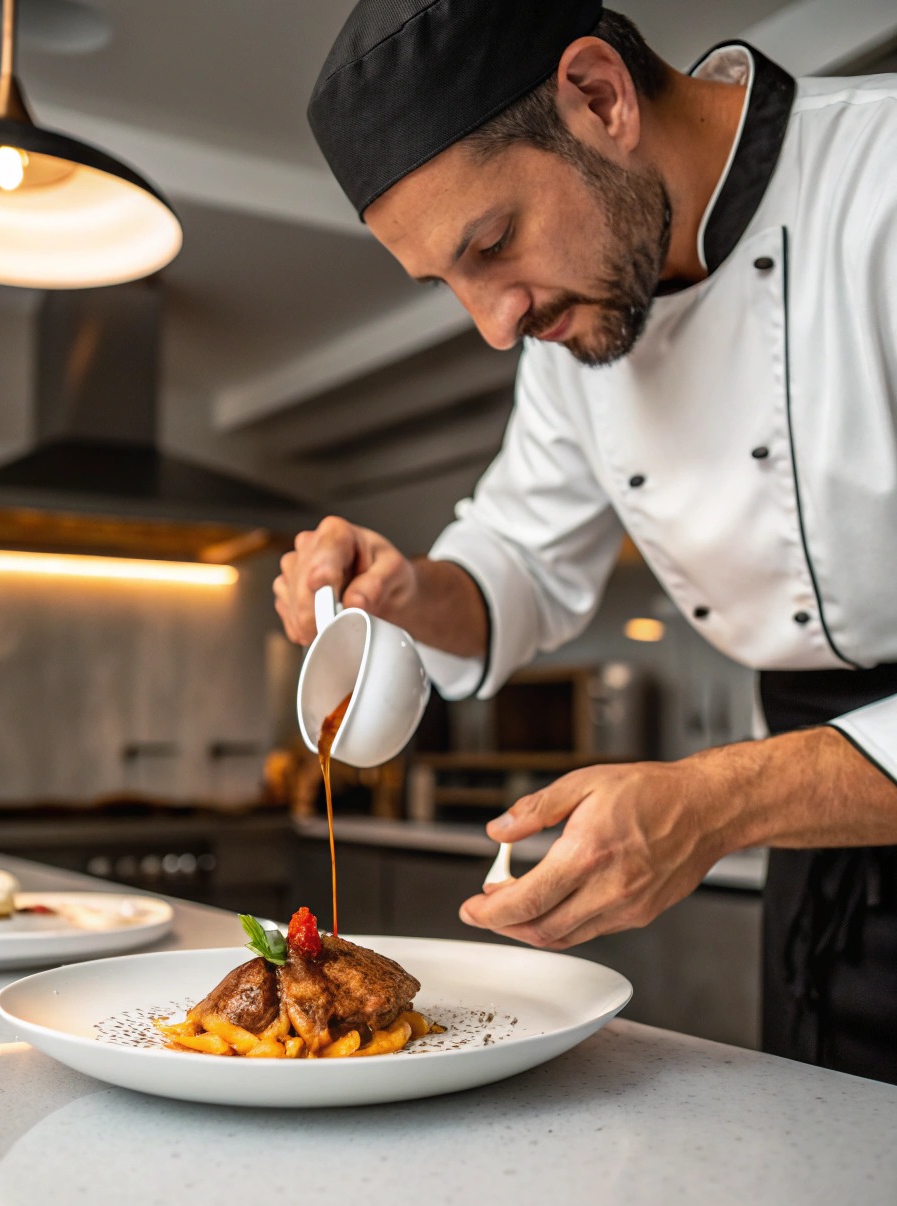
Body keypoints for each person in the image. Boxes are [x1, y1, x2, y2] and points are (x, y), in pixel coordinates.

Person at [275, 2, 897, 1083]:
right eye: (449, 284)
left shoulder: (880, 186)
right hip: (818, 862)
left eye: (491, 244)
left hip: (785, 797)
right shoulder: (580, 316)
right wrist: (407, 590)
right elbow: (520, 556)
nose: (495, 324)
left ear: (601, 97)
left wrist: (719, 800)